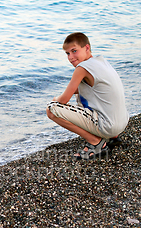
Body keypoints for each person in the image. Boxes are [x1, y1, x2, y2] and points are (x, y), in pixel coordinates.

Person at [46, 32, 129, 160]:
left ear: (87, 48)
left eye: (74, 51)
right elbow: (94, 89)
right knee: (82, 91)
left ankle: (96, 142)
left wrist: (55, 99)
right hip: (121, 123)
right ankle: (112, 138)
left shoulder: (82, 68)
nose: (71, 57)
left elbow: (63, 100)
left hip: (108, 126)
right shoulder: (101, 61)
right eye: (67, 53)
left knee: (51, 109)